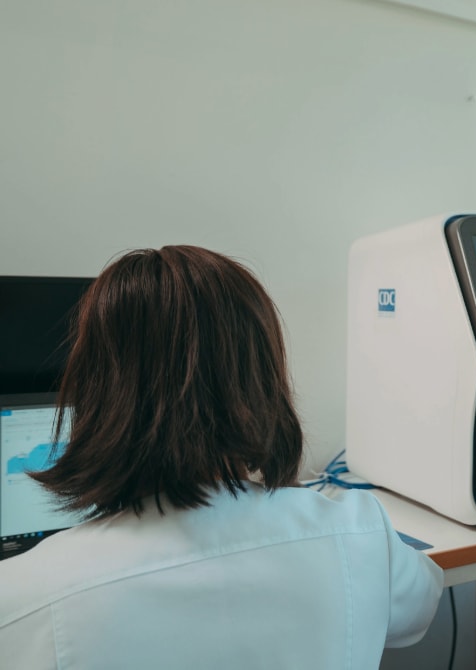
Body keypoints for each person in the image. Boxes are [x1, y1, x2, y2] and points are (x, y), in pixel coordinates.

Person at [0, 246, 443, 669]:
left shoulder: (24, 595)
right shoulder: (360, 529)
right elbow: (420, 606)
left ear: (96, 391)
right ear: (262, 382)